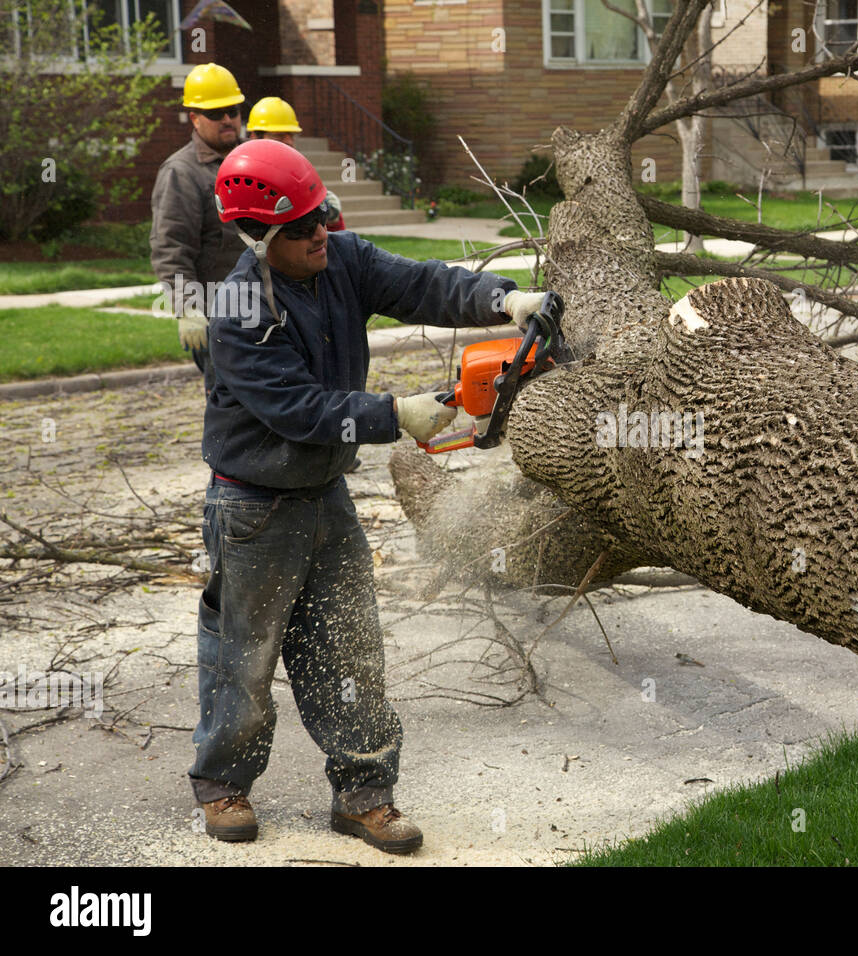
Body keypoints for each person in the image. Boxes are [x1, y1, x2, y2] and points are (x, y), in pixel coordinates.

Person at [191, 138, 556, 854]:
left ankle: (364, 796)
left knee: (349, 651)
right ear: (260, 237)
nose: (319, 233)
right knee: (246, 658)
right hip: (252, 508)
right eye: (300, 228)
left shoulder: (342, 259)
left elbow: (420, 282)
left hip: (324, 495)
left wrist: (504, 298)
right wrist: (396, 415)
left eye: (321, 215)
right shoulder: (237, 309)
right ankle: (223, 784)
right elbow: (299, 409)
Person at [150, 63, 247, 374]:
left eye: (232, 110)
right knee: (232, 416)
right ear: (194, 117)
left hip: (269, 308)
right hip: (221, 318)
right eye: (215, 113)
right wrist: (187, 306)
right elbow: (171, 248)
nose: (228, 119)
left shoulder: (252, 160)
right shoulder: (181, 173)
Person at [247, 96, 346, 231]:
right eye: (279, 135)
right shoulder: (244, 177)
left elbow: (331, 238)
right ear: (255, 137)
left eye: (291, 135)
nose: (289, 141)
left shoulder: (299, 173)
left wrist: (333, 219)